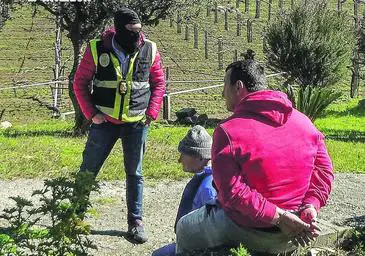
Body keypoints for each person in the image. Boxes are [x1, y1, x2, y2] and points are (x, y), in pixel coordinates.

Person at [175, 60, 334, 254]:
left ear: (238, 87)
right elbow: (324, 171)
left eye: (225, 85)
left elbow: (232, 193)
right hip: (298, 230)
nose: (223, 93)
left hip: (249, 229)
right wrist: (311, 205)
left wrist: (280, 217)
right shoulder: (305, 122)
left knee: (184, 228)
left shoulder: (227, 131)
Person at [73, 8, 165, 243]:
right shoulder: (96, 48)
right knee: (88, 170)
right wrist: (91, 114)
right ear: (118, 28)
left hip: (137, 123)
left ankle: (135, 222)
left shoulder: (150, 49)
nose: (136, 35)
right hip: (103, 122)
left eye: (139, 31)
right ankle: (74, 218)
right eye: (131, 31)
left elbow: (159, 84)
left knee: (135, 174)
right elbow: (80, 83)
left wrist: (152, 113)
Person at [152, 125, 217, 256]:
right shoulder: (207, 179)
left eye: (184, 154)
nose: (179, 160)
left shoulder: (208, 188)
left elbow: (214, 231)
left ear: (200, 157)